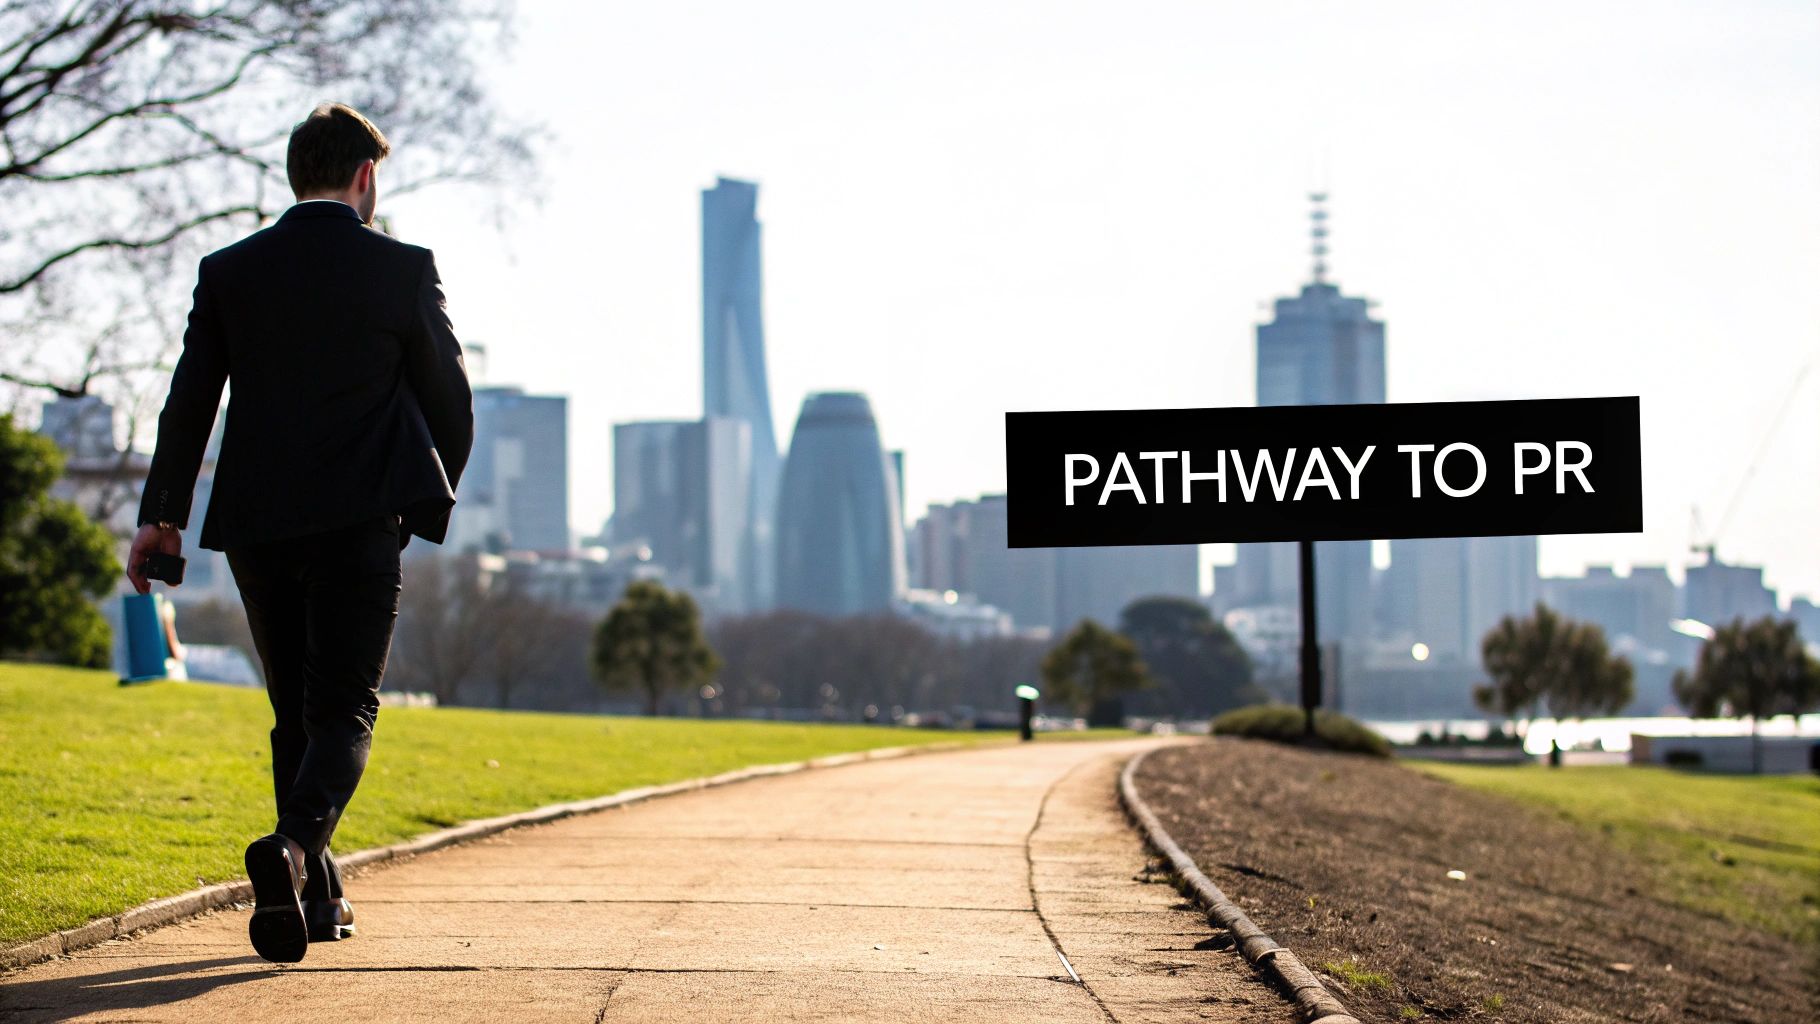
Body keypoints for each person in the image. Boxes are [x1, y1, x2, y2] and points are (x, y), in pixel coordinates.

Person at [126, 102, 474, 964]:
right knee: (346, 710)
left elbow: (190, 403)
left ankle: (315, 898)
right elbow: (452, 404)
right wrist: (419, 507)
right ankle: (288, 853)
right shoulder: (401, 270)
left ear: (296, 176)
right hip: (360, 523)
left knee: (296, 712)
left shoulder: (230, 271)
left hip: (258, 525)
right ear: (365, 178)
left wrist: (161, 517)